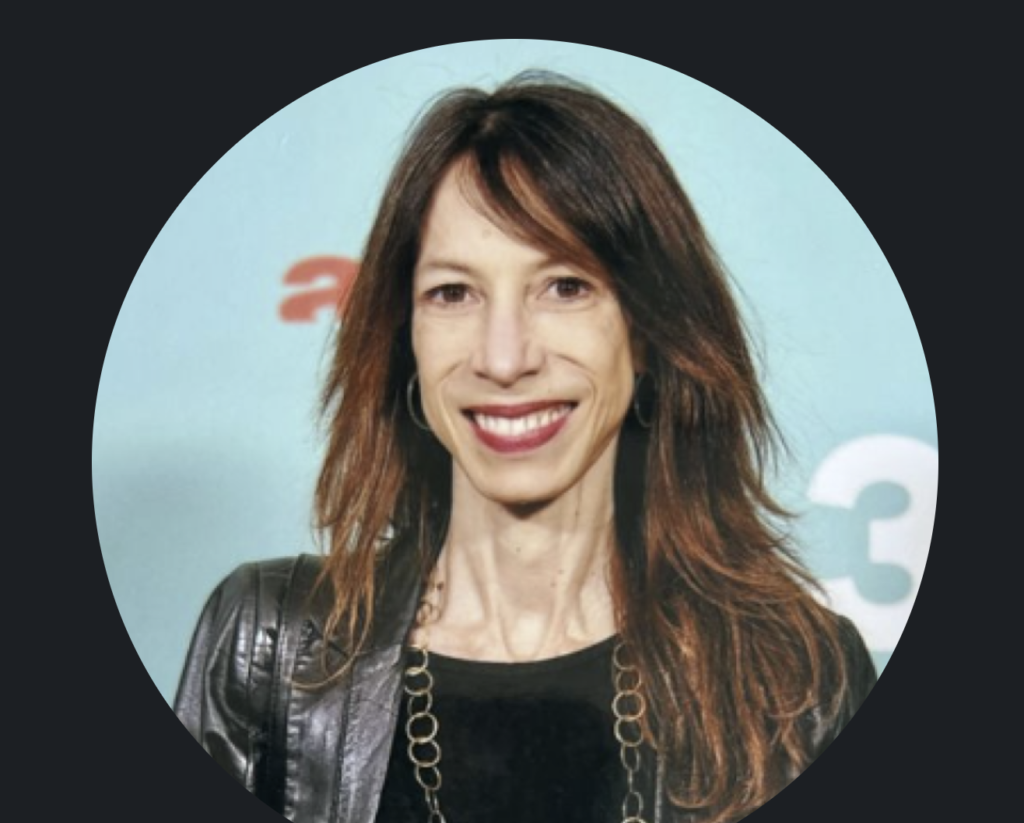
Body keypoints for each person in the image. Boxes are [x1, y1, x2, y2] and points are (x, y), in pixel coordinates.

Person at [174, 72, 877, 823]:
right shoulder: (270, 649)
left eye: (565, 286)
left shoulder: (797, 685)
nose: (504, 359)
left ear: (646, 331)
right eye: (453, 293)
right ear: (408, 339)